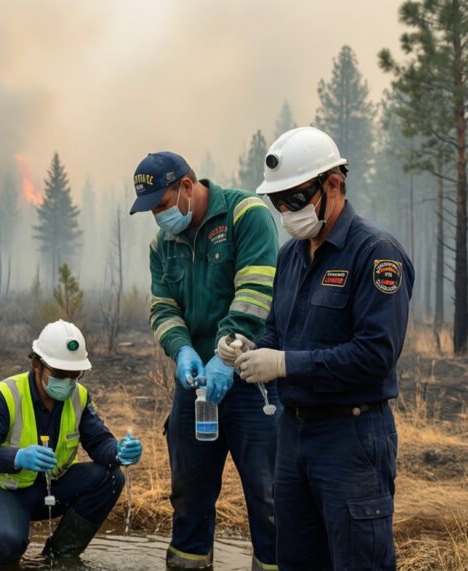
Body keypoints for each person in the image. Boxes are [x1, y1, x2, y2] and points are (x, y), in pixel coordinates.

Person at [225, 126, 413, 570]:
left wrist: (286, 364)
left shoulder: (375, 253)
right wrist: (250, 351)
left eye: (295, 198)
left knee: (357, 560)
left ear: (333, 184)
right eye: (278, 202)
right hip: (293, 436)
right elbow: (277, 333)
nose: (286, 211)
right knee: (295, 559)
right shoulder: (290, 257)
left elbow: (375, 355)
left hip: (351, 437)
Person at [130, 151, 280, 570]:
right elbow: (162, 308)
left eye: (162, 204)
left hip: (254, 381)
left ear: (187, 187)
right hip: (196, 385)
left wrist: (225, 357)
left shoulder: (245, 215)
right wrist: (181, 350)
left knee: (269, 494)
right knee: (189, 493)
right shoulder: (163, 243)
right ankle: (188, 563)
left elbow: (254, 295)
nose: (159, 216)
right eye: (152, 209)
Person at [0, 320, 141, 566]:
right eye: (59, 374)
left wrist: (119, 451)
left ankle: (60, 555)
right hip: (2, 490)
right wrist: (17, 457)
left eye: (75, 375)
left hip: (49, 489)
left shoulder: (78, 396)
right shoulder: (5, 395)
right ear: (37, 364)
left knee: (111, 477)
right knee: (5, 544)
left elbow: (99, 442)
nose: (68, 382)